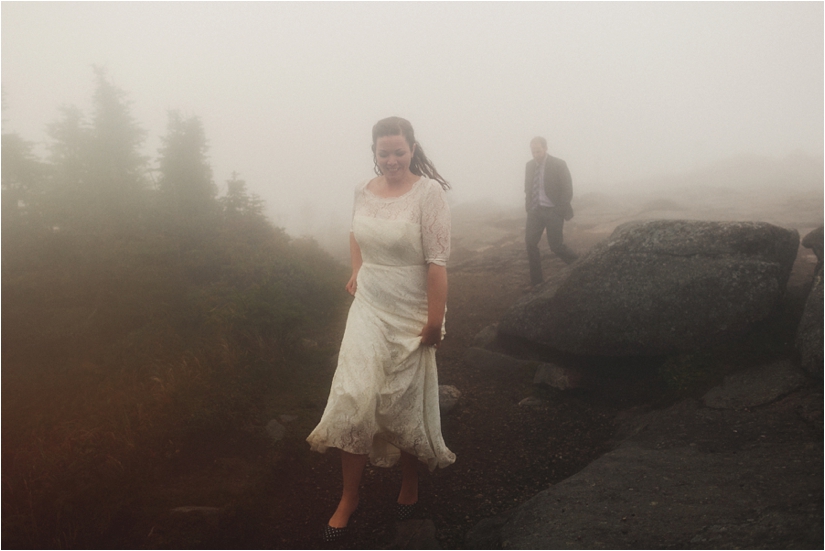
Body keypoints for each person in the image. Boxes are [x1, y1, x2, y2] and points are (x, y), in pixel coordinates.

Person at [306, 116, 455, 543]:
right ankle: (349, 496)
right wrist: (357, 271)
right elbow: (356, 233)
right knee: (353, 394)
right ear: (374, 152)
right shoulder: (362, 190)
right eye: (383, 152)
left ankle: (409, 480)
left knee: (401, 399)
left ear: (412, 149)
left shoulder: (429, 193)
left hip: (411, 308)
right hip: (370, 305)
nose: (391, 159)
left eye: (398, 151)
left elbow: (437, 263)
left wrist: (434, 321)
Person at [524, 136, 578, 287]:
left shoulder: (559, 164)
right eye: (533, 152)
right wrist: (528, 205)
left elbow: (567, 189)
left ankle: (580, 266)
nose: (536, 155)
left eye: (538, 151)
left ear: (546, 148)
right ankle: (537, 283)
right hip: (535, 211)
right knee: (530, 243)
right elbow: (527, 188)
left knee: (556, 246)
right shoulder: (529, 166)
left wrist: (558, 211)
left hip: (553, 211)